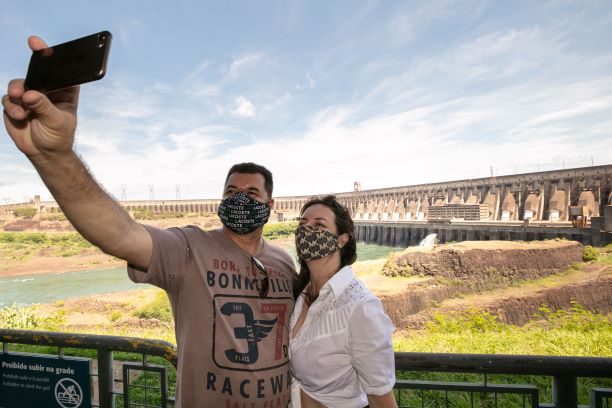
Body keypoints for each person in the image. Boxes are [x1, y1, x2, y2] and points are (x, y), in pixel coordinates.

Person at [3, 36, 297, 408]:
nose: (239, 199)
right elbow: (121, 234)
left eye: (251, 194)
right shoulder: (189, 249)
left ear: (270, 205)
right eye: (230, 192)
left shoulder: (285, 263)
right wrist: (54, 157)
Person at [290, 196, 397, 408]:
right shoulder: (298, 293)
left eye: (319, 224)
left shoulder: (360, 308)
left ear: (342, 239)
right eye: (302, 224)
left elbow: (381, 398)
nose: (307, 231)